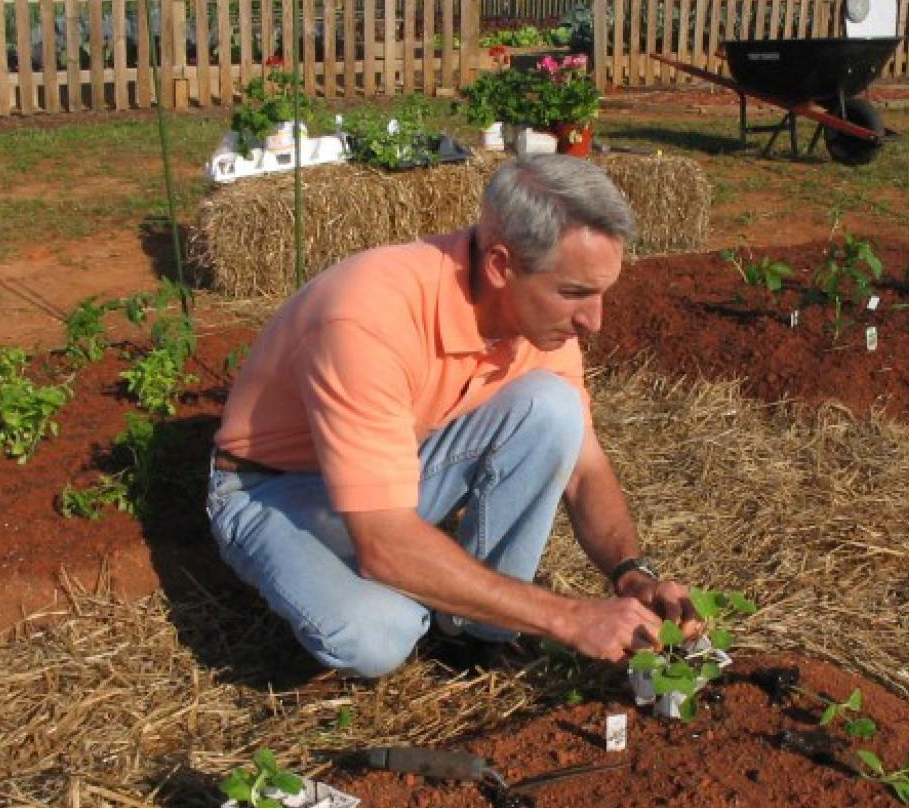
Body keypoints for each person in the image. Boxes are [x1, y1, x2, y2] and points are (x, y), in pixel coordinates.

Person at [208, 155, 699, 678]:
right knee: (378, 635)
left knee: (553, 410)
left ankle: (471, 634)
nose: (594, 321)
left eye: (601, 292)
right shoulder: (368, 319)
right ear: (500, 266)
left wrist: (632, 575)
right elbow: (384, 545)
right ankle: (407, 597)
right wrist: (567, 617)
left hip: (395, 471)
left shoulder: (544, 323)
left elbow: (584, 468)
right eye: (575, 293)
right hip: (277, 491)